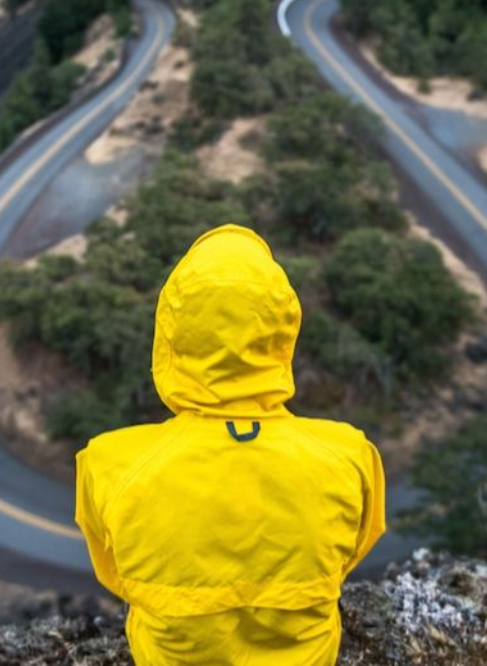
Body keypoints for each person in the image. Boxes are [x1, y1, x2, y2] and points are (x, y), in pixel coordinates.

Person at [75, 224, 386, 665]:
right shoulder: (349, 456)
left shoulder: (110, 463)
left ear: (170, 335)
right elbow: (349, 555)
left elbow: (117, 575)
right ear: (283, 333)